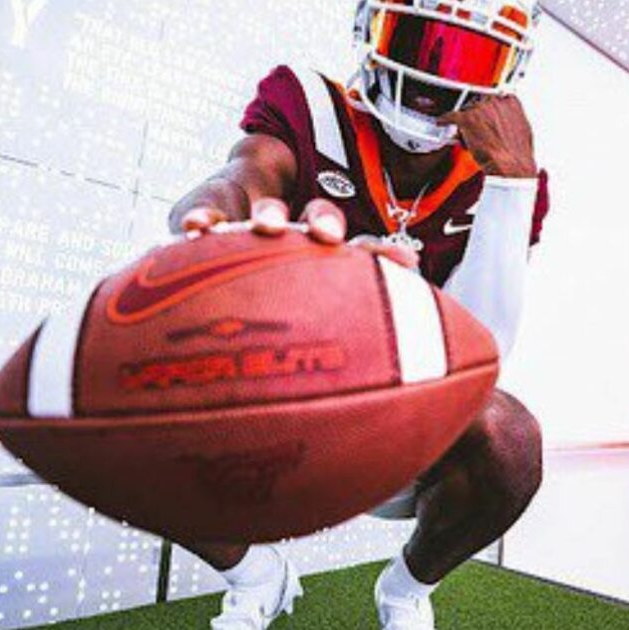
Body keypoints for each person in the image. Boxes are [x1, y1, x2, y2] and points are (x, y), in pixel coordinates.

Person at [166, 1, 550, 628]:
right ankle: (256, 576)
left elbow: (478, 353)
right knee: (132, 404)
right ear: (372, 29)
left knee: (511, 439)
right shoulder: (311, 107)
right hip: (287, 396)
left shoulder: (505, 171)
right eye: (418, 40)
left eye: (466, 55)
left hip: (410, 419)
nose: (432, 77)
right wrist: (218, 217)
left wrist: (512, 184)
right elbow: (248, 175)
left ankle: (405, 590)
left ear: (505, 73)